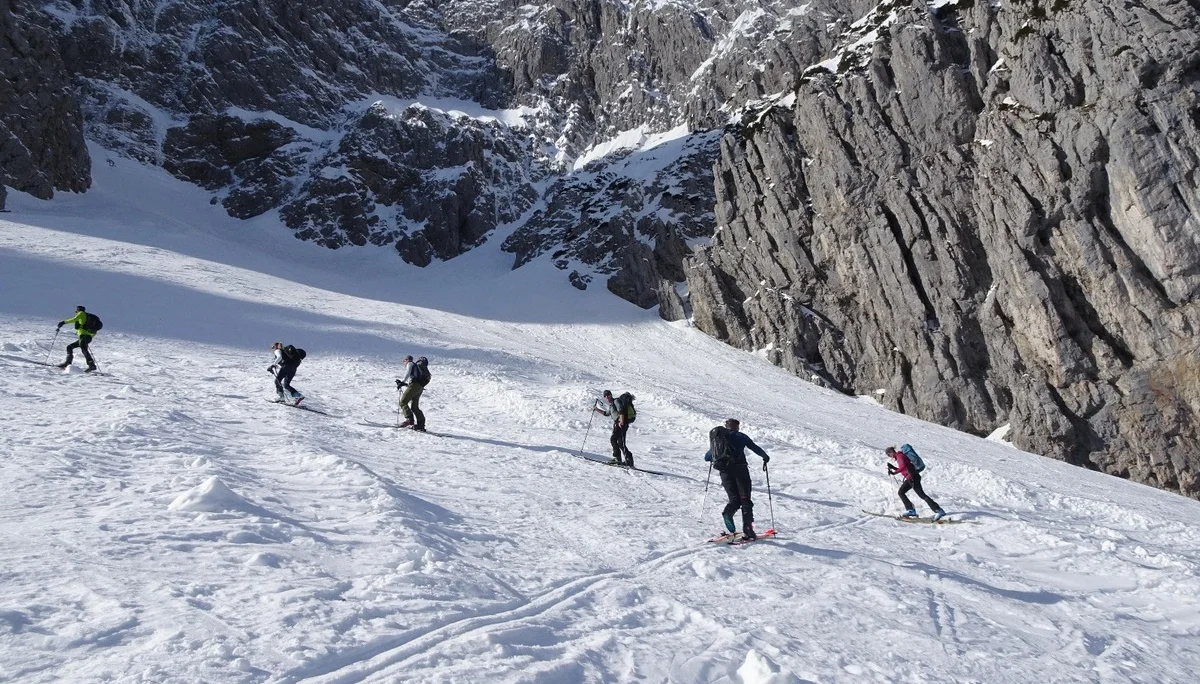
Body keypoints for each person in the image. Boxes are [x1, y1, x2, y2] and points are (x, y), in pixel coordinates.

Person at [705, 418, 770, 540]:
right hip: (740, 470)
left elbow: (707, 457)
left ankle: (728, 512)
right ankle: (748, 529)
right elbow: (755, 448)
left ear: (726, 426)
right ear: (737, 426)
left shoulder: (719, 439)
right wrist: (765, 457)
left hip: (724, 472)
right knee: (745, 499)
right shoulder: (740, 436)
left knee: (734, 498)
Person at [886, 445, 945, 521]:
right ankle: (911, 510)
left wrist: (894, 472)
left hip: (912, 478)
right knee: (901, 492)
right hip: (911, 478)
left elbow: (903, 467)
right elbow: (904, 468)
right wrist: (894, 468)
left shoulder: (899, 456)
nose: (889, 456)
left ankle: (939, 510)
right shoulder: (900, 456)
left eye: (888, 454)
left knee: (921, 495)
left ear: (891, 452)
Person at [594, 389, 635, 467]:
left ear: (610, 395)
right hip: (621, 423)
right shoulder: (612, 404)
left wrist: (621, 422)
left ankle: (618, 458)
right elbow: (606, 413)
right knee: (620, 443)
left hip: (620, 423)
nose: (606, 397)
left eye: (607, 395)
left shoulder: (616, 401)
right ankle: (628, 461)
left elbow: (621, 410)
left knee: (613, 439)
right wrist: (596, 409)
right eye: (605, 396)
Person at [56, 305, 98, 371]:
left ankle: (91, 365)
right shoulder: (88, 317)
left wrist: (63, 322)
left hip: (83, 336)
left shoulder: (81, 313)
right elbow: (94, 332)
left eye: (76, 310)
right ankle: (68, 363)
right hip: (87, 337)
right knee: (69, 347)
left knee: (84, 349)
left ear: (78, 310)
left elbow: (74, 319)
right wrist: (88, 335)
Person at [395, 355, 429, 431]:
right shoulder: (417, 367)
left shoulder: (410, 363)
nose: (404, 363)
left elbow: (408, 373)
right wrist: (405, 384)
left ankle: (409, 420)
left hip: (414, 385)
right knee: (415, 407)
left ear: (406, 359)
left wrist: (402, 382)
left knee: (403, 402)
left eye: (404, 361)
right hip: (420, 387)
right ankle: (421, 424)